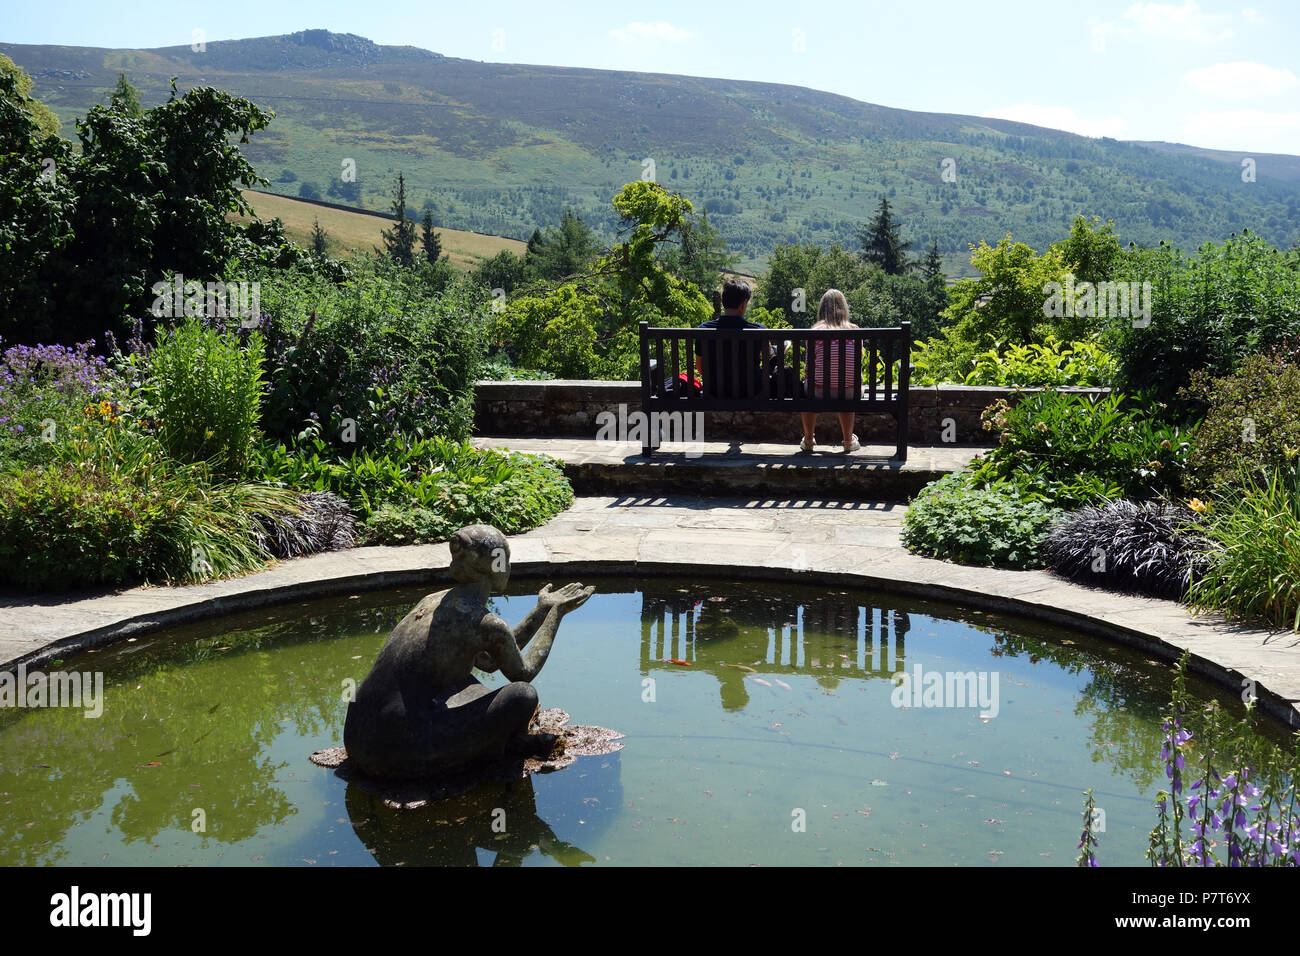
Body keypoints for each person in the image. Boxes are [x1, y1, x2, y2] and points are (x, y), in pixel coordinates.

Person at [343, 524, 594, 779]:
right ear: (497, 565)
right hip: (399, 751)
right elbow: (523, 673)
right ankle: (509, 743)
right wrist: (556, 614)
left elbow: (488, 661)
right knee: (522, 695)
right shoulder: (483, 622)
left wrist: (540, 609)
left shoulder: (433, 599)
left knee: (466, 681)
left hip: (357, 737)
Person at [800, 289, 861, 452]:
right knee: (846, 388)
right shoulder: (855, 331)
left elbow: (808, 369)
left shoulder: (814, 332)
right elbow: (857, 365)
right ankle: (848, 441)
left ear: (822, 309)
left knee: (805, 392)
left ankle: (808, 439)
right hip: (849, 392)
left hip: (818, 391)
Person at [695, 277, 771, 397]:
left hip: (714, 392)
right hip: (750, 392)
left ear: (724, 301)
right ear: (743, 304)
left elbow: (700, 368)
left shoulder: (704, 329)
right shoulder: (758, 330)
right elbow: (768, 360)